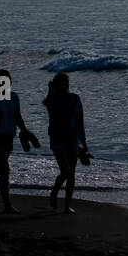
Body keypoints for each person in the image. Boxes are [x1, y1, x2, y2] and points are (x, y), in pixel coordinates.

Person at [0, 69, 40, 213]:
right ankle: (7, 205)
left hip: (8, 137)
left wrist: (25, 131)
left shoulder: (14, 97)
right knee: (5, 169)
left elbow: (18, 117)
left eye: (8, 79)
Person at [43, 71, 88, 213]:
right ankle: (54, 192)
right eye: (63, 82)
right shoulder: (53, 99)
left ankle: (67, 205)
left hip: (72, 138)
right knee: (66, 171)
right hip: (57, 138)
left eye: (67, 82)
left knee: (71, 173)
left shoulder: (75, 98)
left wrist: (84, 144)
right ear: (57, 84)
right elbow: (47, 104)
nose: (66, 84)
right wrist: (50, 90)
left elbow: (80, 121)